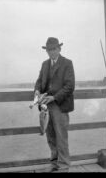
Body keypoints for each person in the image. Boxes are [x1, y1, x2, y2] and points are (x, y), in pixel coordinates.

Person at [34, 37, 75, 172]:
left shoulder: (67, 63)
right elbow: (39, 81)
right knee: (50, 136)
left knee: (61, 137)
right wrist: (37, 92)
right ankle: (54, 163)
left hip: (60, 105)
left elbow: (70, 86)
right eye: (49, 50)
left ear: (59, 49)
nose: (51, 52)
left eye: (54, 49)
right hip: (46, 106)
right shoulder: (44, 64)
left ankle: (63, 166)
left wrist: (54, 97)